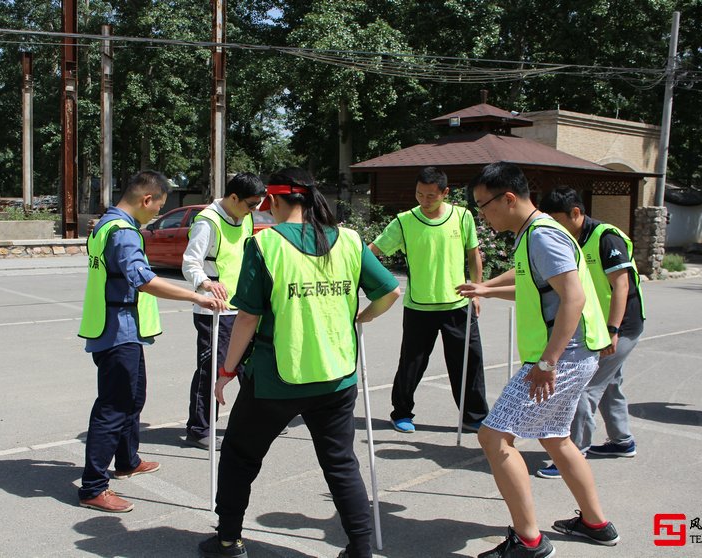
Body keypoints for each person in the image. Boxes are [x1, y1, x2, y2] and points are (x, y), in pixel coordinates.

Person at [198, 168, 400, 558]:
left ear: (273, 201)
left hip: (277, 379)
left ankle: (228, 540)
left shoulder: (266, 243)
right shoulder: (349, 239)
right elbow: (390, 291)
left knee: (240, 456)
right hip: (337, 378)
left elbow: (247, 317)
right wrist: (365, 317)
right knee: (341, 464)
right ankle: (360, 548)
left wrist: (225, 372)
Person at [457, 162, 619, 557]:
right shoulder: (535, 232)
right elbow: (536, 290)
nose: (482, 215)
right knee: (555, 437)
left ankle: (528, 540)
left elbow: (574, 298)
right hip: (575, 354)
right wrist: (487, 290)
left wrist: (548, 363)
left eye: (484, 205)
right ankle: (596, 524)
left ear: (508, 198)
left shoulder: (542, 236)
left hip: (560, 357)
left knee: (493, 436)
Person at [78, 170, 226, 513]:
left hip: (118, 329)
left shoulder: (106, 225)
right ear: (146, 200)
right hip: (118, 331)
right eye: (157, 208)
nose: (156, 215)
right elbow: (143, 280)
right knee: (113, 407)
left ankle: (128, 460)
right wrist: (198, 295)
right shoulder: (124, 233)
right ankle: (93, 486)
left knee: (133, 398)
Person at [534, 187, 646, 479]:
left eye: (557, 220)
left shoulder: (606, 237)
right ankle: (622, 441)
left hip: (620, 326)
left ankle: (573, 454)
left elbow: (621, 285)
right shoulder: (569, 239)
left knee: (584, 388)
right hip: (598, 326)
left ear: (576, 213)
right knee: (610, 382)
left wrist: (613, 329)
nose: (553, 227)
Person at [369, 166, 488, 434]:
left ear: (445, 193)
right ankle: (401, 413)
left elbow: (473, 254)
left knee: (468, 363)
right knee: (411, 364)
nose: (424, 200)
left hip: (458, 304)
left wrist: (477, 289)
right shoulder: (403, 221)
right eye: (419, 194)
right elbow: (372, 252)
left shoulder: (462, 216)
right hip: (419, 306)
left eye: (431, 196)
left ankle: (474, 417)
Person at [182, 173, 267, 449]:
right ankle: (200, 428)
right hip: (213, 311)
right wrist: (206, 283)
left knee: (249, 367)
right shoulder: (207, 222)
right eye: (251, 204)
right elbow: (189, 263)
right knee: (212, 370)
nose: (255, 210)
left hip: (242, 307)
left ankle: (256, 421)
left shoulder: (246, 217)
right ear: (233, 198)